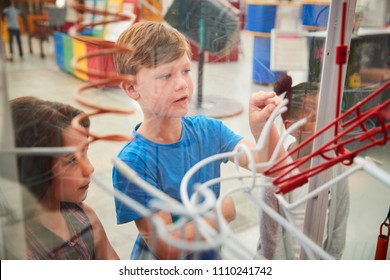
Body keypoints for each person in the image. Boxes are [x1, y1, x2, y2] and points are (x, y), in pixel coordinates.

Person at [111, 21, 286, 260]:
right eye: (166, 75)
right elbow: (167, 248)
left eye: (186, 70)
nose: (182, 83)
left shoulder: (208, 130)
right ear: (131, 88)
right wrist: (221, 212)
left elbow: (276, 168)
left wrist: (263, 129)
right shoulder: (133, 163)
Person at [11, 96, 119, 260]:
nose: (89, 168)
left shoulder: (86, 218)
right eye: (72, 160)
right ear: (32, 169)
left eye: (85, 152)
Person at [255, 74, 350, 260]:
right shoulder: (276, 175)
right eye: (317, 117)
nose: (330, 124)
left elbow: (339, 226)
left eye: (330, 115)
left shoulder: (337, 168)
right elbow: (272, 246)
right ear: (292, 128)